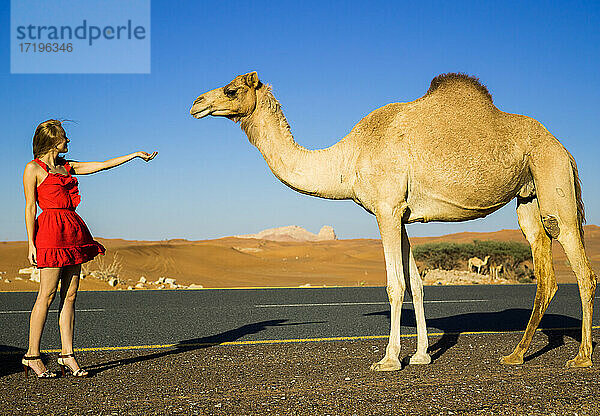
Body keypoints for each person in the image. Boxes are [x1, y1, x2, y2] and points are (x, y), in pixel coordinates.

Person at [22, 119, 157, 378]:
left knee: (70, 295)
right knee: (46, 295)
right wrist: (31, 243)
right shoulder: (33, 169)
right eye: (63, 137)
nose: (68, 141)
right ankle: (32, 356)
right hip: (49, 233)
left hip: (73, 231)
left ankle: (67, 355)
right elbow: (29, 208)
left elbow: (101, 165)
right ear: (52, 140)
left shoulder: (67, 166)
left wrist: (135, 155)